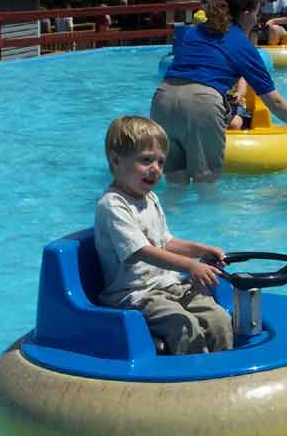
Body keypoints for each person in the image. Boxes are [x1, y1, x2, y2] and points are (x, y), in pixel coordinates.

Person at [150, 0, 287, 187]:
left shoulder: (195, 32)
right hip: (200, 104)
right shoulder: (242, 45)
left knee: (175, 183)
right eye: (257, 12)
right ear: (246, 13)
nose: (258, 17)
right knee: (206, 185)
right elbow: (274, 100)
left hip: (162, 100)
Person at [94, 115, 233, 355]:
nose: (156, 169)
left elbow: (166, 243)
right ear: (116, 161)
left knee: (219, 317)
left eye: (160, 162)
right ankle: (189, 380)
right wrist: (191, 265)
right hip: (134, 294)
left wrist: (201, 250)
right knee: (184, 325)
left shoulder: (150, 199)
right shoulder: (113, 205)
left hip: (168, 285)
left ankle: (223, 374)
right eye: (146, 160)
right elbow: (141, 251)